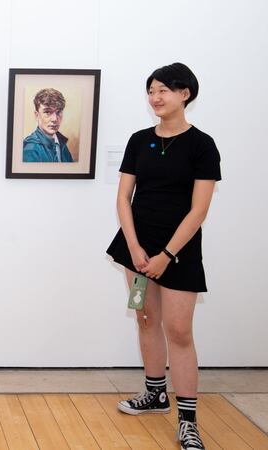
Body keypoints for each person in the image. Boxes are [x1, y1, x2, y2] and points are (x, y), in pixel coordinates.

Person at [106, 63, 220, 450]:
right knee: (145, 316)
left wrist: (166, 255)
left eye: (164, 90)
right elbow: (123, 197)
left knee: (179, 331)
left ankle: (187, 420)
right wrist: (136, 248)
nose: (156, 97)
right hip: (134, 250)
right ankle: (155, 394)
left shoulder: (202, 145)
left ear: (185, 93)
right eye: (151, 90)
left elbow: (199, 210)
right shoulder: (139, 140)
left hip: (179, 253)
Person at [22, 88, 73, 162]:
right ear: (37, 115)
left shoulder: (61, 142)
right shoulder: (30, 150)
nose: (55, 119)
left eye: (58, 112)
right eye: (47, 112)